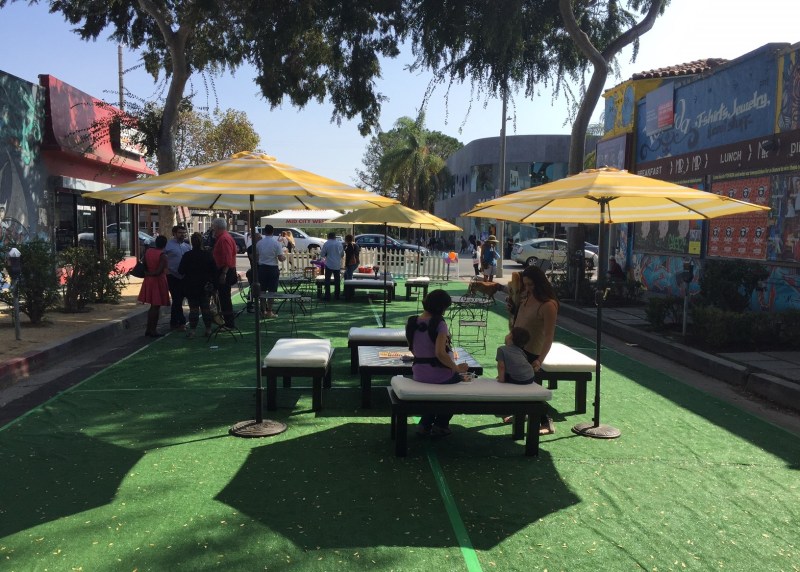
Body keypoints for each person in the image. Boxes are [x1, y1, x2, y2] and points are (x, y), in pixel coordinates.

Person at [405, 289, 469, 437]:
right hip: (439, 374)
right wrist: (457, 368)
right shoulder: (440, 323)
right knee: (457, 390)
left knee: (436, 394)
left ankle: (425, 424)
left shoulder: (412, 322)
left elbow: (413, 349)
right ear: (441, 307)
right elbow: (440, 353)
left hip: (418, 373)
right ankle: (441, 424)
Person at [506, 265, 559, 434]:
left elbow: (549, 336)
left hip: (532, 351)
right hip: (516, 348)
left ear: (540, 283)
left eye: (531, 285)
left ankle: (546, 422)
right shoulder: (525, 297)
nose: (527, 288)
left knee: (531, 390)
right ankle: (520, 414)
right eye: (526, 284)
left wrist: (539, 360)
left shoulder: (548, 305)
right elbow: (521, 319)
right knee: (514, 385)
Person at [178, 232, 217, 338]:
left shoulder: (187, 255)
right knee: (206, 309)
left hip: (191, 286)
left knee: (193, 309)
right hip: (205, 286)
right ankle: (208, 329)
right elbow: (214, 270)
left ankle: (192, 331)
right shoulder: (207, 255)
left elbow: (180, 270)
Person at [138, 234, 170, 338]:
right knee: (156, 306)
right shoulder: (163, 255)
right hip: (158, 280)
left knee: (153, 306)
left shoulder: (148, 251)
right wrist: (151, 274)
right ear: (165, 244)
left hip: (149, 280)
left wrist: (147, 274)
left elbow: (145, 265)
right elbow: (159, 271)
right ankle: (153, 330)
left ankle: (149, 329)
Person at [210, 218, 238, 329]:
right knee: (223, 298)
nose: (212, 229)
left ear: (216, 227)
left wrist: (223, 273)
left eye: (213, 226)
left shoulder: (224, 239)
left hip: (224, 271)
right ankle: (226, 321)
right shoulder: (223, 237)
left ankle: (229, 323)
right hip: (224, 270)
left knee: (224, 298)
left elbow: (227, 258)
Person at [164, 224, 191, 331]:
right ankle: (181, 322)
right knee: (177, 299)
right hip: (172, 276)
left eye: (184, 233)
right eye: (180, 233)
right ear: (174, 234)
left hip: (184, 277)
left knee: (179, 300)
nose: (182, 235)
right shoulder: (168, 246)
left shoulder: (187, 246)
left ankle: (174, 322)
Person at [256, 225, 286, 318]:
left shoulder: (259, 243)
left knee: (262, 290)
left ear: (264, 232)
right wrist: (284, 257)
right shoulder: (276, 243)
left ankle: (263, 310)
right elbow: (281, 258)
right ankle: (269, 311)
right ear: (273, 232)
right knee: (272, 291)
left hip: (262, 268)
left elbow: (256, 257)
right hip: (272, 268)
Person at [320, 231, 344, 301]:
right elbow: (342, 254)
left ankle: (327, 296)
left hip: (329, 264)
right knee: (337, 281)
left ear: (328, 237)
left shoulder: (326, 243)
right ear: (335, 237)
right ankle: (337, 295)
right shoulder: (339, 243)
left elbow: (322, 254)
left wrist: (327, 255)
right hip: (337, 264)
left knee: (327, 280)